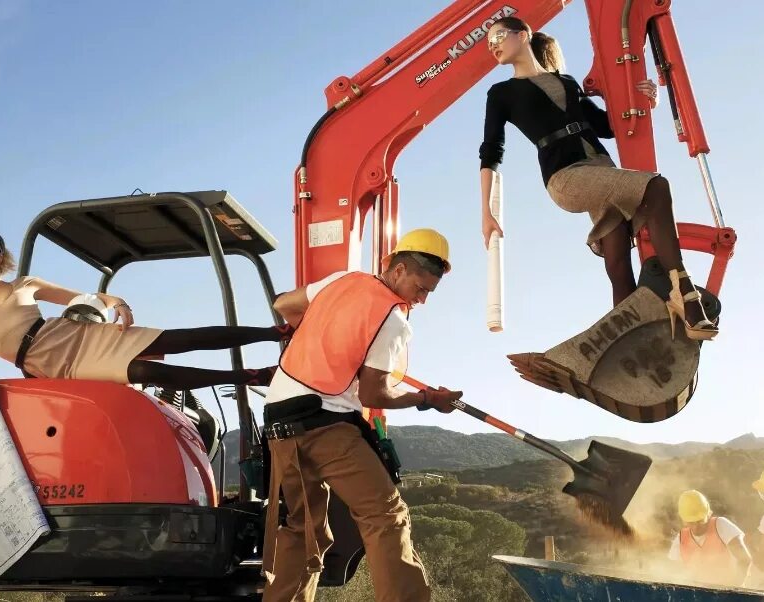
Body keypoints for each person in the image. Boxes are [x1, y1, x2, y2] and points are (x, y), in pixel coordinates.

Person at [478, 17, 717, 341]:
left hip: (602, 167)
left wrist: (647, 101)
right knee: (656, 185)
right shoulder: (502, 93)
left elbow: (607, 126)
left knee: (618, 255)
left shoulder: (567, 84)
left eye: (499, 36)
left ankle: (634, 342)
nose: (493, 45)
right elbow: (492, 150)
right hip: (565, 178)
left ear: (523, 35)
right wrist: (487, 213)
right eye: (489, 42)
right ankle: (685, 293)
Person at [260, 228, 462, 602]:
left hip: (277, 422)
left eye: (429, 292)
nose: (422, 299)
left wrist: (318, 334)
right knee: (386, 515)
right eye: (421, 288)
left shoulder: (342, 280)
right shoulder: (393, 321)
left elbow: (283, 305)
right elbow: (374, 393)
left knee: (303, 529)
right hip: (325, 424)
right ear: (398, 270)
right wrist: (426, 399)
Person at [0, 227, 289, 405]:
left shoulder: (26, 284)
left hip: (75, 336)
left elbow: (87, 298)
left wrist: (118, 302)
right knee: (146, 370)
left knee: (177, 339)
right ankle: (249, 376)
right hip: (55, 366)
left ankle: (273, 332)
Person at [668, 490, 751, 587]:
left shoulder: (721, 525)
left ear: (708, 514)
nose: (696, 527)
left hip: (730, 593)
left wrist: (733, 589)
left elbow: (744, 559)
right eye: (691, 522)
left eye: (699, 521)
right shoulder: (681, 539)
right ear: (683, 520)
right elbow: (673, 571)